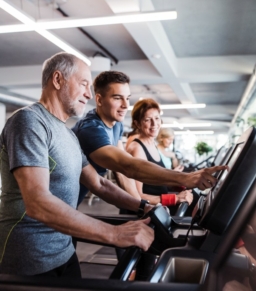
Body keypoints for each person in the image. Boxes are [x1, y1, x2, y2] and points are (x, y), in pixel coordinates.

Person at [0, 52, 154, 277]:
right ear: (57, 80)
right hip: (28, 257)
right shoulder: (29, 121)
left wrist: (143, 207)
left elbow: (99, 183)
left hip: (64, 250)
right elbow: (37, 202)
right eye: (83, 84)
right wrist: (114, 234)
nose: (89, 94)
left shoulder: (68, 134)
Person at [72, 71, 227, 208]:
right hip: (57, 200)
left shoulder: (116, 125)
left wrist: (141, 208)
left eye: (127, 98)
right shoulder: (92, 129)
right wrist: (185, 178)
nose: (126, 105)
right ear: (99, 100)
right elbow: (127, 166)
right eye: (118, 98)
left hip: (71, 201)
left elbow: (121, 173)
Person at [126, 98, 193, 211]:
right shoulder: (137, 149)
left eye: (157, 118)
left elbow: (155, 182)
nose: (154, 124)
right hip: (144, 212)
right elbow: (138, 196)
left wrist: (182, 182)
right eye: (148, 119)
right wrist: (174, 198)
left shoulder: (152, 145)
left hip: (159, 208)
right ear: (137, 123)